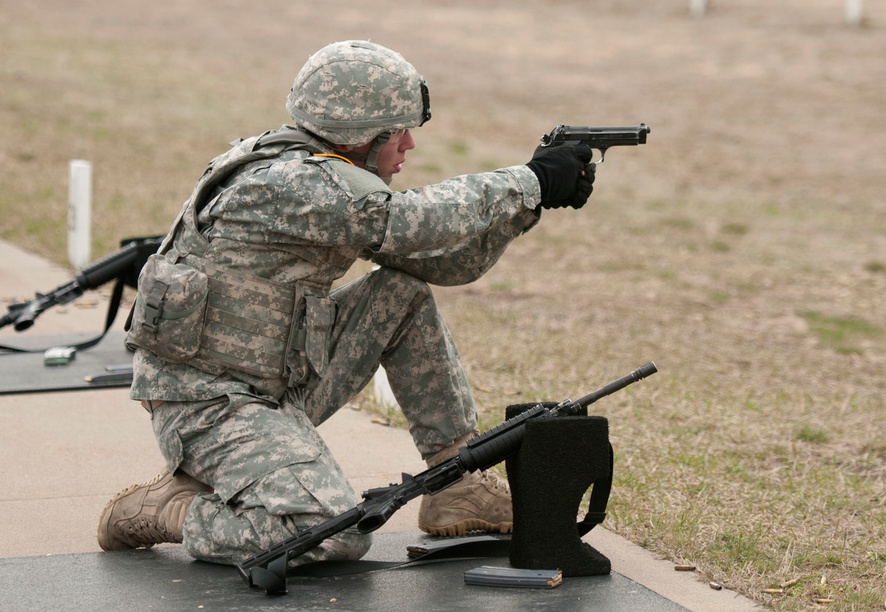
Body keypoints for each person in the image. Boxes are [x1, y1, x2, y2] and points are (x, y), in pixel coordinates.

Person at [97, 40, 596, 566]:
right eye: (396, 131)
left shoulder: (328, 177)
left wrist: (530, 205)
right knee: (327, 533)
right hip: (208, 403)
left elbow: (445, 263)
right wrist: (530, 180)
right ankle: (169, 510)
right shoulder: (291, 183)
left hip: (275, 379)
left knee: (399, 293)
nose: (407, 144)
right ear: (360, 134)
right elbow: (415, 219)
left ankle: (455, 484)